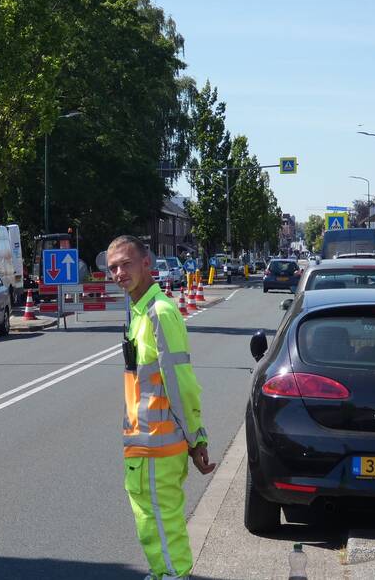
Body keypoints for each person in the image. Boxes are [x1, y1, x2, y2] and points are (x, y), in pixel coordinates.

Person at [106, 234, 216, 580]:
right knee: (152, 526)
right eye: (113, 268)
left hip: (158, 445)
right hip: (143, 444)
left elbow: (181, 384)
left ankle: (172, 576)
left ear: (146, 263)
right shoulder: (138, 311)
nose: (119, 273)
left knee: (163, 526)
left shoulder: (159, 312)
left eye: (126, 264)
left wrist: (196, 438)